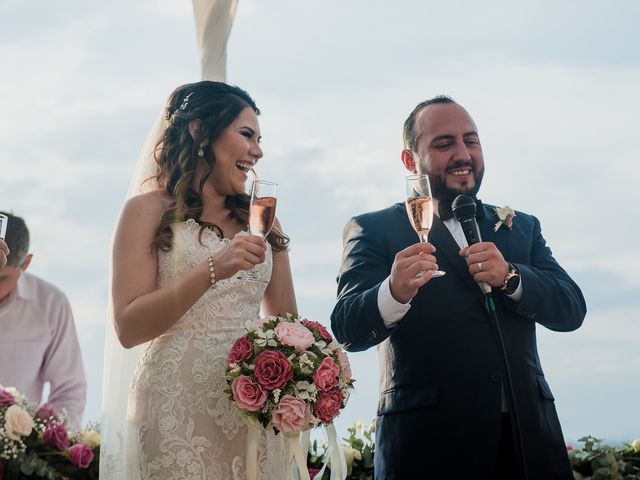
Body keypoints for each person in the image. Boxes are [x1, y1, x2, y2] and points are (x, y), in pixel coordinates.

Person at [331, 96, 586, 479]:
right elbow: (347, 327)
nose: (463, 153)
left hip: (528, 445)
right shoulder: (374, 230)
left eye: (472, 140)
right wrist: (393, 291)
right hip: (427, 449)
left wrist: (511, 277)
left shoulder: (521, 227)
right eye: (444, 143)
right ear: (409, 160)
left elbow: (571, 309)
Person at [102, 81, 297, 479]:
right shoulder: (145, 211)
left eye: (260, 140)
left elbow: (288, 327)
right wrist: (212, 270)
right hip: (175, 406)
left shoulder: (263, 219)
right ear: (200, 132)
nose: (257, 151)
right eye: (246, 135)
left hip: (252, 410)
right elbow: (128, 326)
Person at [0, 211, 86, 427]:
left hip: (17, 453)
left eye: (1, 279)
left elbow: (69, 390)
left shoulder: (51, 304)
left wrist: (48, 449)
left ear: (26, 264)